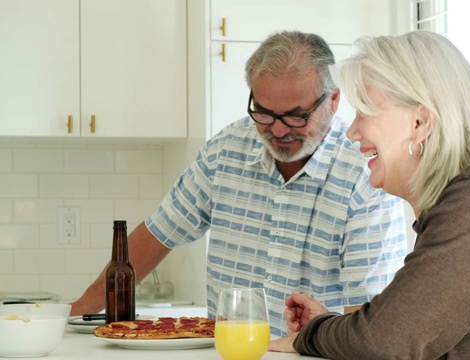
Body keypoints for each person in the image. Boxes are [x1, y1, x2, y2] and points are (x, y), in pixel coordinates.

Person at [268, 31, 470, 359]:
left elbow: (382, 340)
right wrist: (331, 326)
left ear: (420, 123)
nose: (352, 132)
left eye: (364, 112)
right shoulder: (464, 201)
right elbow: (401, 334)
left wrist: (313, 333)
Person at [70, 31, 408, 337]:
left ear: (332, 101)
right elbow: (159, 233)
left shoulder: (365, 176)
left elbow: (367, 319)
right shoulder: (226, 150)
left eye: (295, 115)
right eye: (263, 112)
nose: (277, 130)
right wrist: (78, 312)